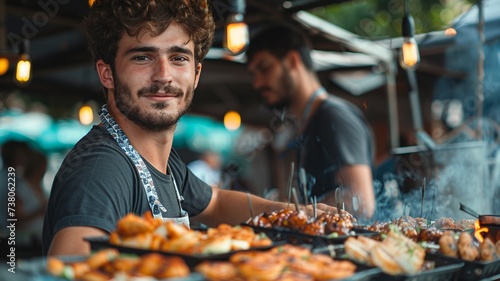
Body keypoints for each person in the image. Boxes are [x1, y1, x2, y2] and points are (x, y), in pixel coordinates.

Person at [42, 0, 345, 257]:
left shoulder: (163, 163)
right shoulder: (101, 170)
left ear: (196, 74)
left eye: (178, 58)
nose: (163, 76)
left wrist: (297, 213)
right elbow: (67, 269)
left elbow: (216, 202)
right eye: (143, 57)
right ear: (107, 73)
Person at [246, 23, 376, 220]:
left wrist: (293, 214)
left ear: (292, 60)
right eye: (253, 74)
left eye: (264, 68)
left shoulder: (333, 116)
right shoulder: (306, 122)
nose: (257, 83)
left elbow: (360, 201)